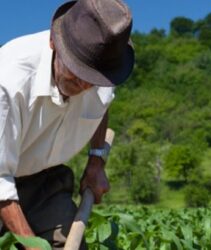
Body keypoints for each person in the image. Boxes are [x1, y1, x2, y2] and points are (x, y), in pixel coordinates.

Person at [0, 0, 134, 249]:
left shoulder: (104, 68)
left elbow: (101, 106)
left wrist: (96, 161)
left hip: (43, 179)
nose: (85, 86)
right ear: (54, 42)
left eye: (92, 79)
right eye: (77, 72)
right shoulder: (9, 81)